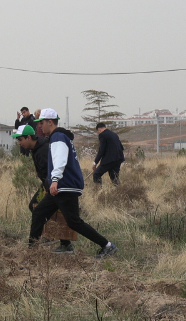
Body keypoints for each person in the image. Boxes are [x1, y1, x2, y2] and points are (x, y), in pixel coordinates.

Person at [28, 109, 117, 259]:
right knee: (39, 213)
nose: (40, 127)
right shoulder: (59, 136)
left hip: (64, 186)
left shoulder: (58, 137)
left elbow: (60, 160)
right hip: (63, 186)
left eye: (42, 123)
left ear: (50, 122)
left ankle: (107, 245)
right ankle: (32, 250)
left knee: (74, 222)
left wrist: (54, 180)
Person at [12, 124, 74, 253]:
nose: (19, 143)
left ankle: (34, 247)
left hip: (55, 185)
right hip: (47, 184)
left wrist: (49, 187)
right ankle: (61, 241)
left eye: (20, 139)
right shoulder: (35, 148)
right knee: (35, 207)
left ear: (28, 137)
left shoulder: (43, 149)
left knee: (42, 212)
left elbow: (51, 172)